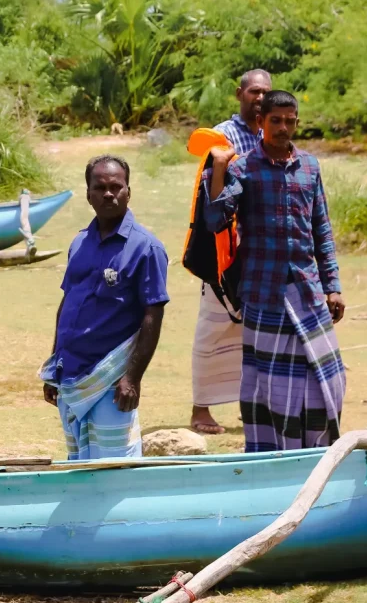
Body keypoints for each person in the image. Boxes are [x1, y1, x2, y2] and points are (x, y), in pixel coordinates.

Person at [205, 90, 346, 452]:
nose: (283, 128)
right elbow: (215, 220)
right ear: (260, 124)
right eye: (275, 121)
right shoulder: (243, 168)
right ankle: (270, 455)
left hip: (307, 292)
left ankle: (316, 451)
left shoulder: (311, 167)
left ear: (297, 121)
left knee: (326, 377)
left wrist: (333, 286)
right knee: (267, 385)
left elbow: (322, 231)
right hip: (263, 295)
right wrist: (219, 169)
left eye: (289, 120)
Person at [41, 155, 169, 459]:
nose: (109, 193)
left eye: (116, 186)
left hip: (112, 381)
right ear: (88, 195)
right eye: (100, 187)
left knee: (115, 466)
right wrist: (54, 364)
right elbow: (67, 303)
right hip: (71, 374)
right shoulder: (80, 242)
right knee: (79, 464)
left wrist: (132, 378)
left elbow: (154, 315)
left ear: (128, 192)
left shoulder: (146, 247)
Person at [190, 69, 272, 435]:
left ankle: (251, 405)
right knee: (212, 326)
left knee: (255, 332)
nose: (259, 97)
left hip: (261, 245)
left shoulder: (269, 132)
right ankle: (200, 409)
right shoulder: (222, 135)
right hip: (225, 247)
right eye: (254, 91)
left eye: (265, 92)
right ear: (239, 93)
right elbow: (210, 191)